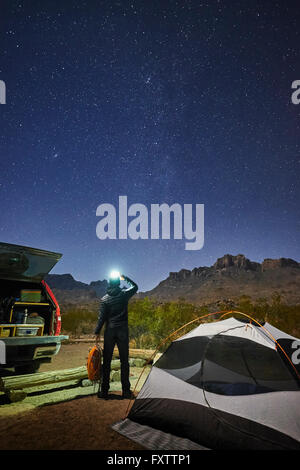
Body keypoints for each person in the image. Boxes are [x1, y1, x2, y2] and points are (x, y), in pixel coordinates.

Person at [94, 273, 138, 399]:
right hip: (123, 331)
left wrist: (97, 332)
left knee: (106, 362)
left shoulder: (104, 299)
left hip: (110, 332)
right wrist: (126, 278)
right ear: (118, 283)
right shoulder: (124, 294)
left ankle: (104, 391)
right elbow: (135, 286)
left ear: (109, 283)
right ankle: (126, 391)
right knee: (124, 361)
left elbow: (101, 318)